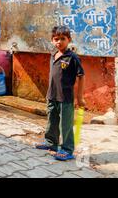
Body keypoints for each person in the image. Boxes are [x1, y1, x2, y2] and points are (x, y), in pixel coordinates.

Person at [35, 26, 86, 161]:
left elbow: (81, 76)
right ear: (52, 41)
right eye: (56, 39)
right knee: (52, 121)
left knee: (66, 125)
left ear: (69, 40)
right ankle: (51, 143)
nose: (59, 42)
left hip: (66, 98)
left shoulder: (72, 58)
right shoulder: (53, 55)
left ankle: (67, 149)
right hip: (52, 95)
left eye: (63, 39)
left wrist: (80, 98)